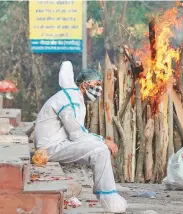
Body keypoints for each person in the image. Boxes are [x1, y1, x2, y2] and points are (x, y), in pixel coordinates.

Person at [34, 61, 128, 213]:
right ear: (85, 85)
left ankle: (104, 194)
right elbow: (76, 134)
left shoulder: (73, 96)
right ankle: (109, 201)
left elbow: (78, 133)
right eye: (96, 83)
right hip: (50, 149)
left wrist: (100, 140)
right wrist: (103, 141)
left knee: (100, 148)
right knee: (101, 151)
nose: (99, 88)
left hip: (56, 145)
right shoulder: (70, 98)